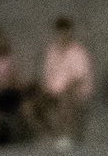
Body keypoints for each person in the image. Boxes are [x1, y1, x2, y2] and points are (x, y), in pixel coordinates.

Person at [37, 18, 94, 147]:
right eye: (59, 32)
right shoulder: (51, 51)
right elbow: (48, 75)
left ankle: (66, 136)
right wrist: (46, 88)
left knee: (65, 97)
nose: (62, 36)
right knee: (29, 106)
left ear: (70, 32)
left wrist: (64, 89)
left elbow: (79, 78)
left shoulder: (79, 52)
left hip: (76, 91)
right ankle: (54, 136)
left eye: (65, 32)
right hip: (54, 90)